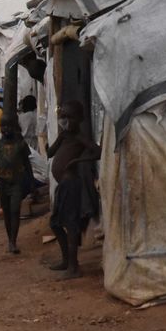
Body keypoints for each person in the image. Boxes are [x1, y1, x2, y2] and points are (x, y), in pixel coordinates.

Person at [47, 99, 101, 279]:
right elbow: (49, 153)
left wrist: (76, 162)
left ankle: (73, 266)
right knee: (55, 223)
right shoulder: (65, 137)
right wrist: (60, 137)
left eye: (70, 117)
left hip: (71, 184)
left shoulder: (79, 137)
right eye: (63, 117)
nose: (65, 120)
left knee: (70, 225)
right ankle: (66, 260)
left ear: (79, 119)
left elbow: (97, 151)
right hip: (63, 185)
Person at [0, 115, 32, 254]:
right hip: (2, 183)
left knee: (15, 210)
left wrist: (31, 183)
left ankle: (13, 240)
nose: (6, 129)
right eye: (3, 126)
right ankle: (10, 239)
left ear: (15, 128)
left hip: (17, 182)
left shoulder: (21, 144)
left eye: (9, 126)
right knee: (6, 212)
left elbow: (27, 164)